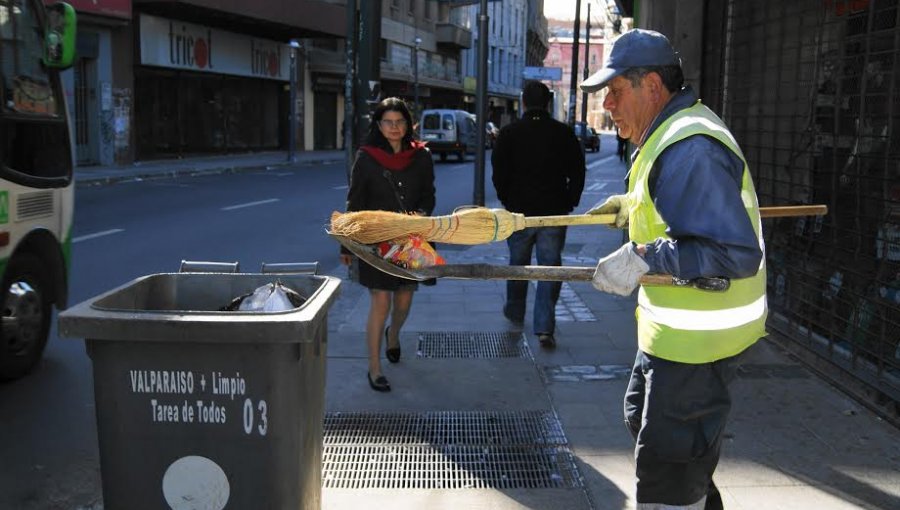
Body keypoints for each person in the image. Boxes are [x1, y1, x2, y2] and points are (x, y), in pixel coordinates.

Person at [580, 29, 767, 510]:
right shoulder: (668, 132)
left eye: (615, 92)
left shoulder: (689, 147)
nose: (608, 107)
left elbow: (733, 251)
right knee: (644, 423)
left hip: (699, 344)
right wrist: (630, 205)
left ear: (653, 87)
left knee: (667, 473)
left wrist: (644, 256)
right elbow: (675, 205)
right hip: (672, 335)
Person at [339, 97, 435, 392]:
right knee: (381, 300)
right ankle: (375, 368)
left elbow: (429, 195)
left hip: (410, 239)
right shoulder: (366, 158)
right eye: (388, 122)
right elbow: (354, 203)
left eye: (400, 122)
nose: (394, 128)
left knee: (404, 301)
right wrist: (346, 245)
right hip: (376, 238)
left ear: (408, 124)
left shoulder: (422, 156)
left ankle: (393, 334)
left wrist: (421, 213)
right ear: (379, 126)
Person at [491, 81, 585, 349]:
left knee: (517, 265)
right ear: (547, 103)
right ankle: (544, 327)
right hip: (553, 213)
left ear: (523, 102)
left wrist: (507, 199)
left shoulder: (509, 134)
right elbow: (578, 171)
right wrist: (570, 201)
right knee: (549, 267)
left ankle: (515, 311)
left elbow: (498, 173)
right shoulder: (563, 133)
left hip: (519, 213)